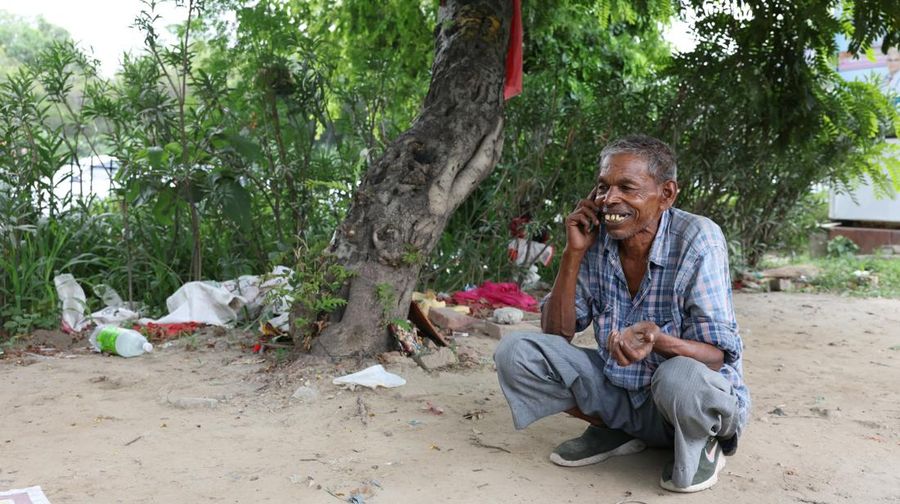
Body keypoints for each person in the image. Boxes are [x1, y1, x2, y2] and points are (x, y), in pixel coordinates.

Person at [494, 135, 750, 493]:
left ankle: (701, 441)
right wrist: (573, 253)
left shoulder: (698, 238)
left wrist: (656, 340)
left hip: (686, 399)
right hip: (623, 393)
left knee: (679, 377)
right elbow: (556, 335)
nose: (609, 199)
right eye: (602, 187)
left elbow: (716, 356)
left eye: (627, 187)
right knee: (517, 353)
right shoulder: (597, 238)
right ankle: (615, 427)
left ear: (667, 195)